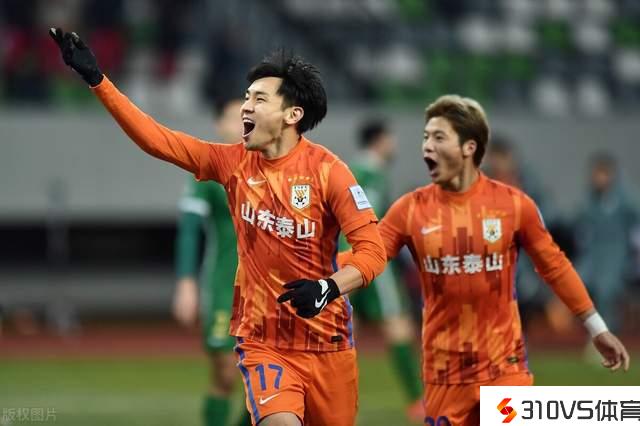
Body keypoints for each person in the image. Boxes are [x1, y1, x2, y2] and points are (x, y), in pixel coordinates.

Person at [50, 28, 386, 426]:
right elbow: (157, 140)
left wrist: (327, 288)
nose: (246, 107)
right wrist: (97, 80)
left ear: (292, 115)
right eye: (246, 97)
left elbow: (373, 252)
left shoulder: (330, 172)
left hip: (328, 343)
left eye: (259, 99)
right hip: (263, 342)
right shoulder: (232, 163)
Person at [344, 95, 630, 425]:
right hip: (443, 375)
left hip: (504, 368)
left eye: (439, 137)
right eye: (425, 137)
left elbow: (555, 266)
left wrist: (596, 328)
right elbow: (365, 257)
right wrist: (317, 278)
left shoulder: (514, 205)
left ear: (469, 147)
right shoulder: (409, 210)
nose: (427, 147)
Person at [172, 96, 251, 426]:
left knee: (266, 381)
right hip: (222, 288)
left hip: (267, 290)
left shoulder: (270, 167)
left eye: (247, 116)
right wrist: (186, 282)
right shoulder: (207, 172)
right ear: (219, 124)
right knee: (225, 373)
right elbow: (189, 231)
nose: (243, 123)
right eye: (235, 117)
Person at [339, 119, 423, 422]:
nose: (394, 144)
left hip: (344, 260)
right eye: (391, 138)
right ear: (379, 140)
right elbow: (368, 221)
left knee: (341, 331)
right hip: (370, 260)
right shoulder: (370, 175)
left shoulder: (350, 170)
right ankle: (417, 400)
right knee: (398, 325)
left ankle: (328, 399)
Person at [574, 152, 638, 335]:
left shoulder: (625, 201)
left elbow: (634, 229)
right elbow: (582, 229)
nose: (599, 178)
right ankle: (592, 331)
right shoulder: (589, 200)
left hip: (616, 255)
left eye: (603, 173)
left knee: (607, 290)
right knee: (579, 284)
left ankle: (608, 333)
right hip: (593, 255)